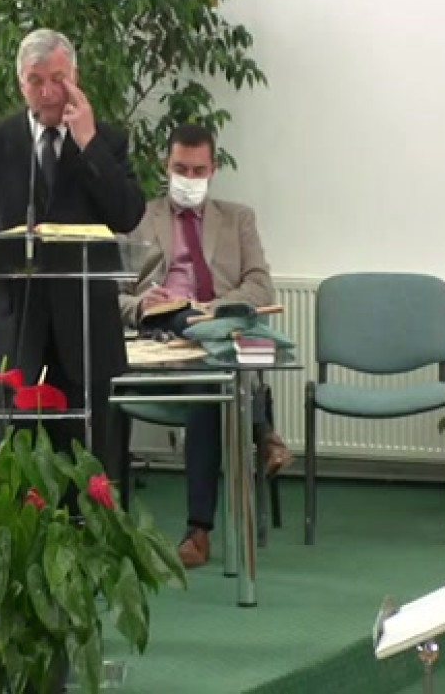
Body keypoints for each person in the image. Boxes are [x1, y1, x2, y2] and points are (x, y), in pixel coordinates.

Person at [0, 28, 146, 475]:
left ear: (74, 76)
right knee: (22, 472)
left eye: (57, 79)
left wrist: (88, 143)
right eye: (35, 81)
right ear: (20, 83)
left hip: (86, 330)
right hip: (18, 329)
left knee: (90, 468)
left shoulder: (106, 141)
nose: (47, 92)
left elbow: (127, 214)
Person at [118, 122, 291, 568]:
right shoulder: (138, 218)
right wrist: (141, 304)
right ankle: (262, 428)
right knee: (207, 360)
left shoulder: (238, 219)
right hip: (160, 339)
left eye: (198, 170)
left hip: (214, 338)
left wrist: (212, 309)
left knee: (208, 385)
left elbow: (261, 286)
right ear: (166, 165)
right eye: (180, 169)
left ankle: (198, 531)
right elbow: (111, 294)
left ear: (213, 169)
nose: (189, 178)